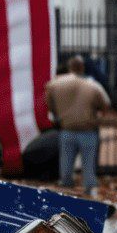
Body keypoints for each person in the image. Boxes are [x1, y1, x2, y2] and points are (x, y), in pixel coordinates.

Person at [45, 56, 110, 195]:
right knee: (88, 166)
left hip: (66, 129)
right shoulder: (92, 85)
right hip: (88, 129)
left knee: (66, 167)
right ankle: (89, 193)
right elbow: (105, 104)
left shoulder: (55, 84)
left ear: (70, 67)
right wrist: (97, 117)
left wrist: (57, 115)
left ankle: (66, 192)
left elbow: (49, 101)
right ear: (82, 67)